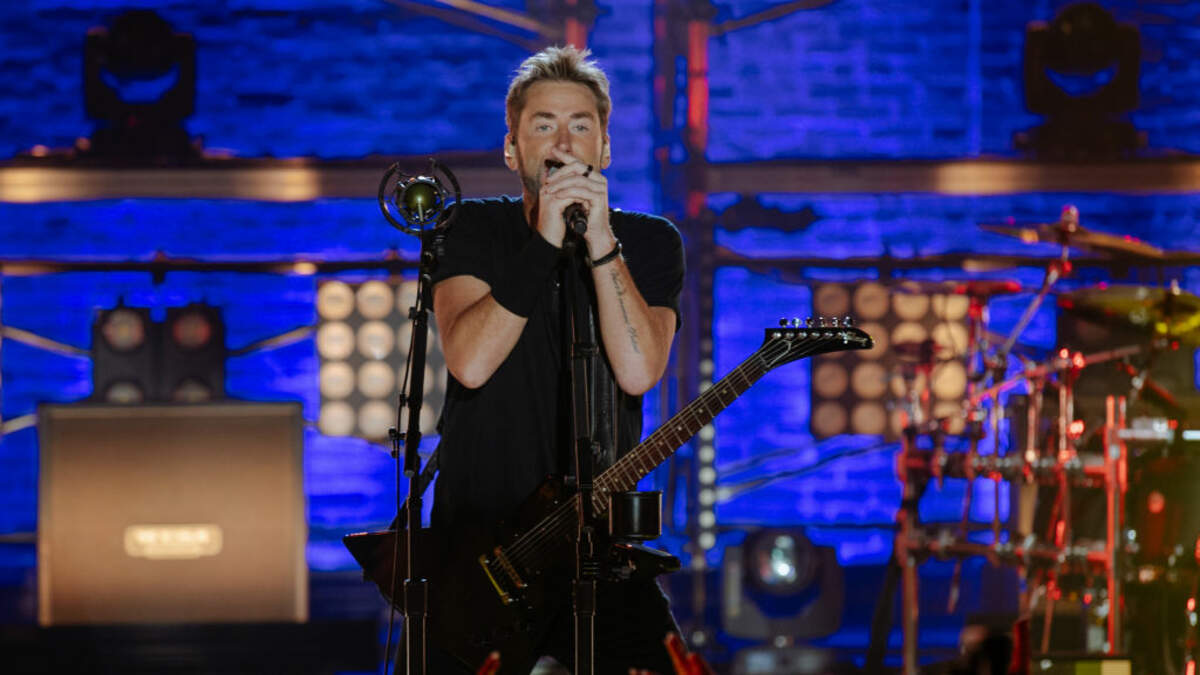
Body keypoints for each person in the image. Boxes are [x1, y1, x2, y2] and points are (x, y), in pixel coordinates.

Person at [428, 45, 686, 673]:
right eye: (544, 125)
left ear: (605, 149)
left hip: (599, 544)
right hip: (482, 550)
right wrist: (545, 236)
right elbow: (469, 362)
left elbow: (638, 371)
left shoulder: (650, 241)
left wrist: (600, 243)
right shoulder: (470, 229)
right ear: (512, 149)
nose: (564, 142)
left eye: (580, 126)